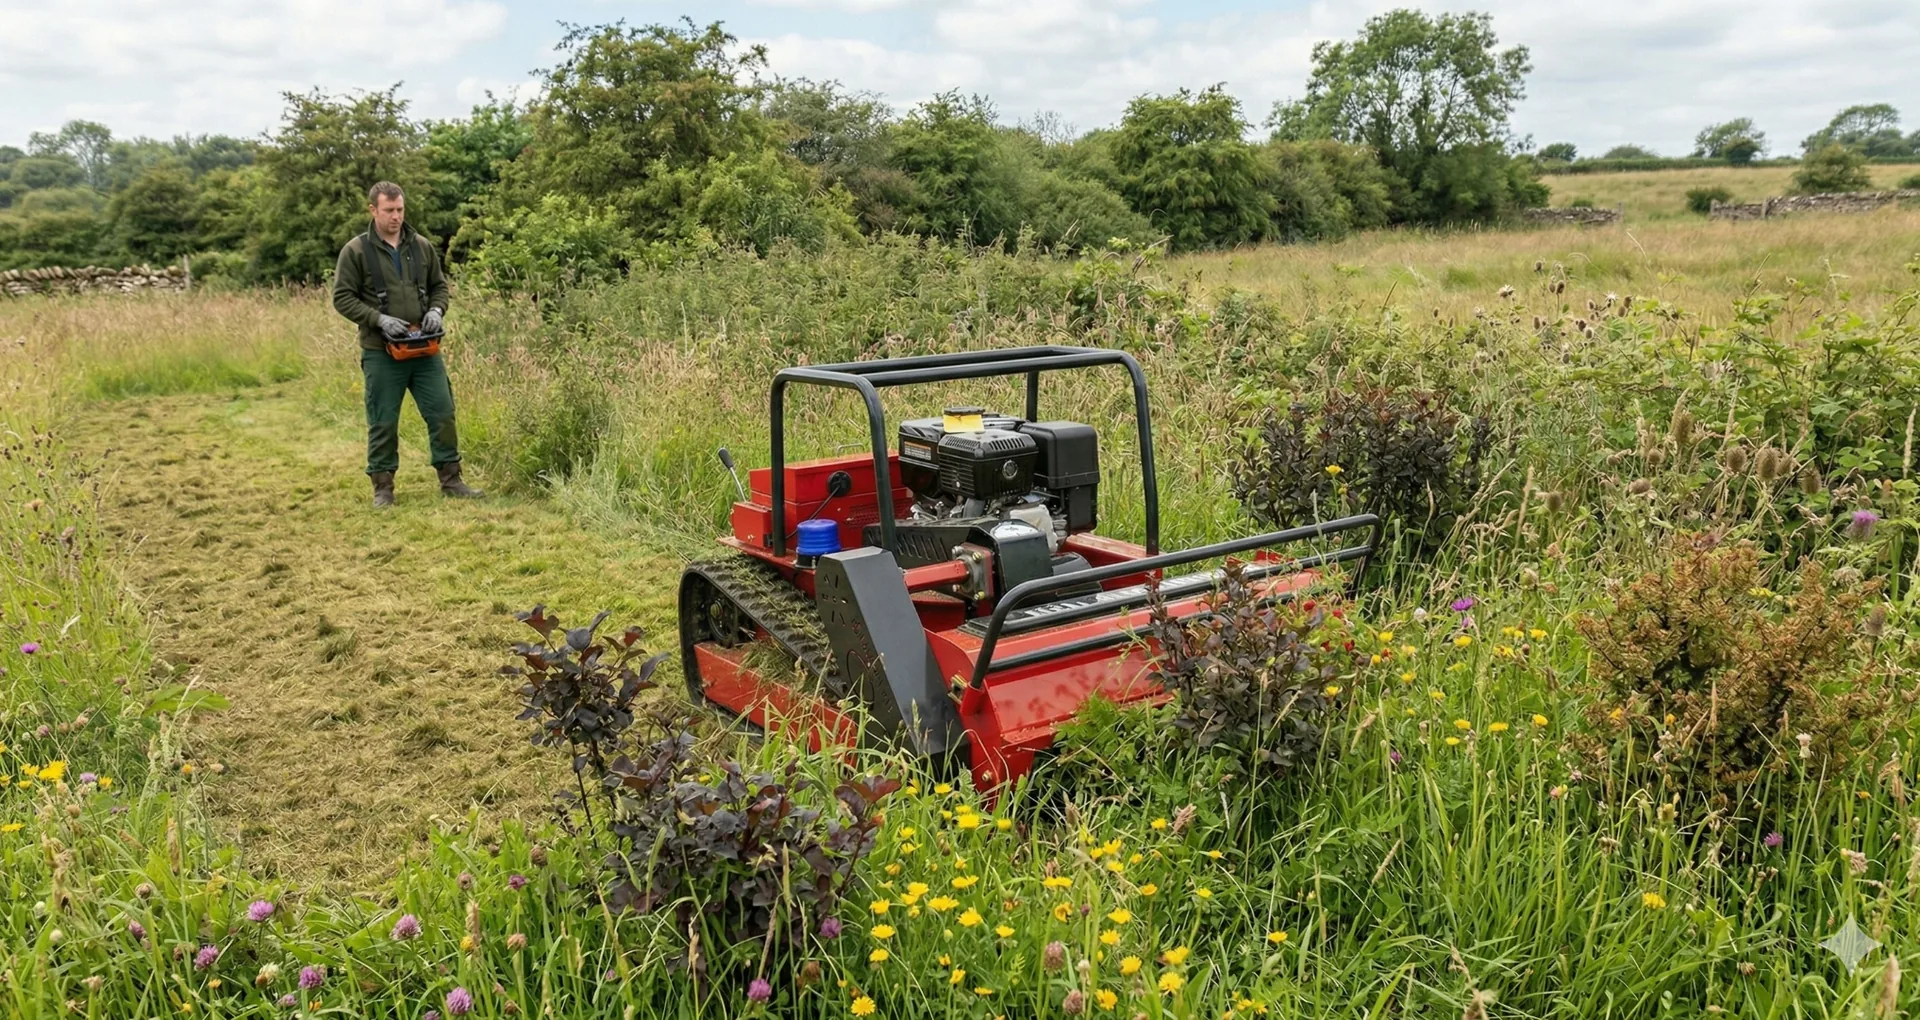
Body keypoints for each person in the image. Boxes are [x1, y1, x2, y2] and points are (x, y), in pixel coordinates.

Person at [330, 181, 482, 506]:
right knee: (383, 419)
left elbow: (440, 287)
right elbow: (342, 298)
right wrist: (378, 319)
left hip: (425, 348)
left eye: (400, 210)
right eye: (389, 211)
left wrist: (437, 311)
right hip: (381, 351)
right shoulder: (356, 251)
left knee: (442, 412)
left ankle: (452, 480)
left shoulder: (422, 246)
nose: (396, 217)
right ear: (373, 210)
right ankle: (383, 488)